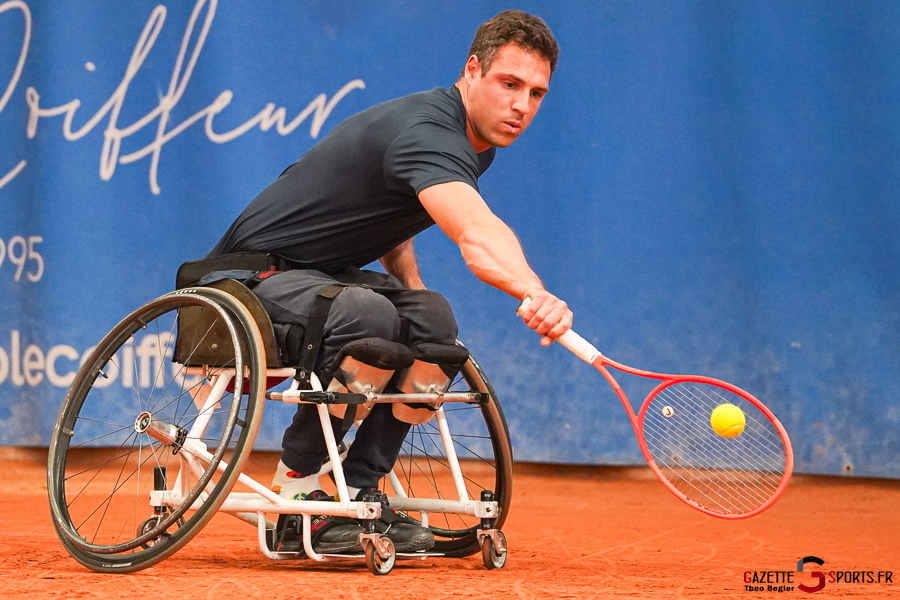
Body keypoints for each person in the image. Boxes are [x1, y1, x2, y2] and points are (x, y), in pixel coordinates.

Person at [206, 9, 573, 555]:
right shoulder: (429, 132)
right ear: (472, 70)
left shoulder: (476, 146)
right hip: (252, 276)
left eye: (537, 93)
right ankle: (296, 492)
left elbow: (388, 218)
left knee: (435, 319)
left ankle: (361, 486)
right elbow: (474, 233)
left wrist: (413, 290)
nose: (522, 105)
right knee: (368, 315)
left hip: (323, 280)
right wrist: (533, 292)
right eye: (509, 84)